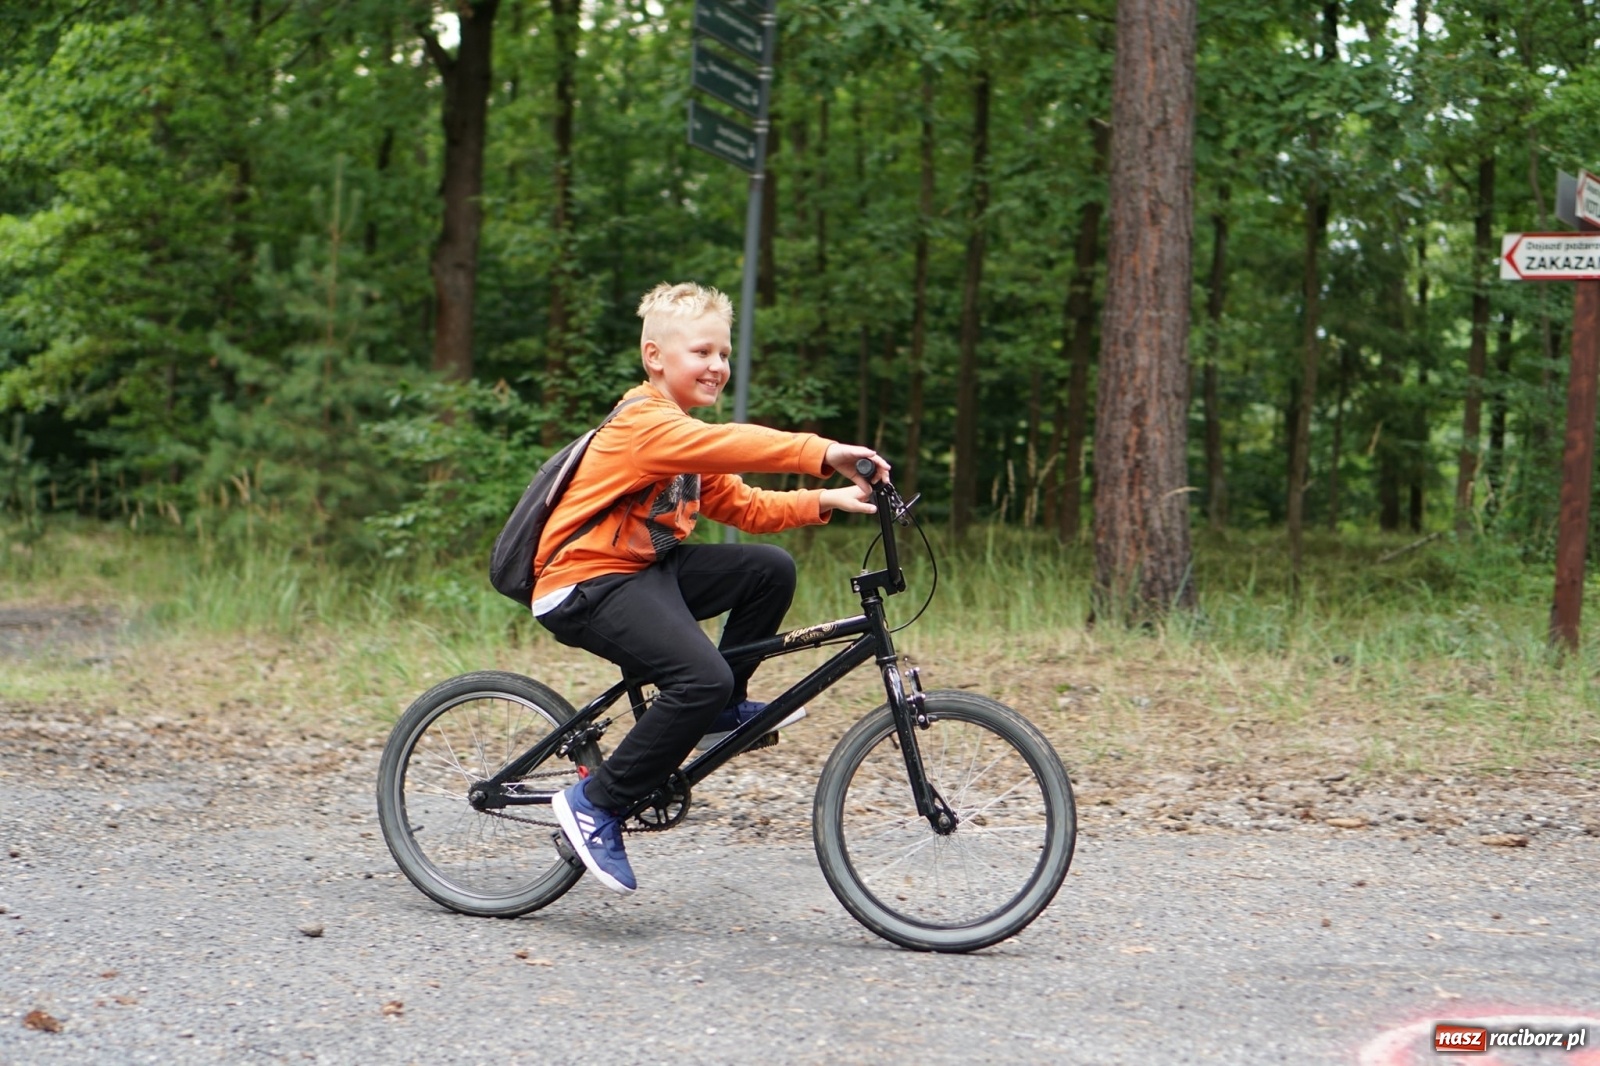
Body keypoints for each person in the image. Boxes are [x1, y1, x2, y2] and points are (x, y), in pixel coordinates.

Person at [535, 281, 888, 894]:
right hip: (586, 581)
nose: (718, 366)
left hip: (641, 571)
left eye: (724, 354)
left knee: (767, 569)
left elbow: (745, 505)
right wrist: (824, 452)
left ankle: (718, 710)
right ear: (655, 358)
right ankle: (595, 803)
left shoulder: (684, 437)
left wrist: (828, 499)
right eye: (701, 352)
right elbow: (732, 442)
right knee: (700, 675)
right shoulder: (648, 425)